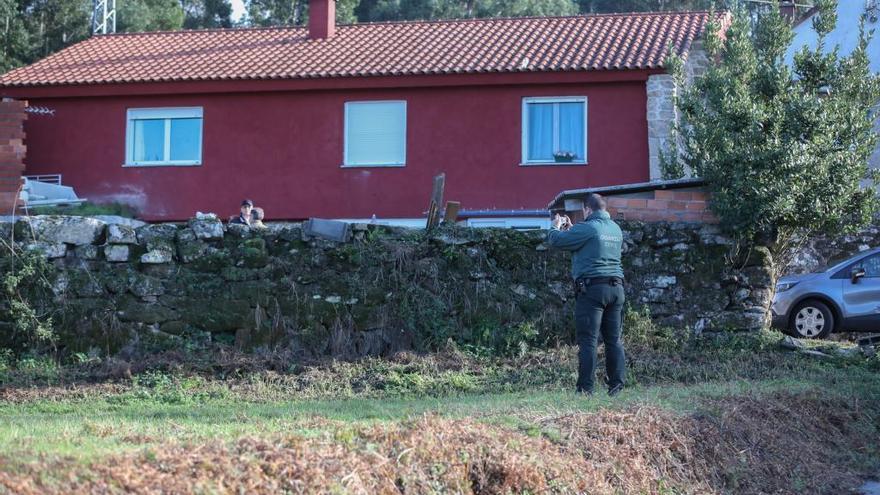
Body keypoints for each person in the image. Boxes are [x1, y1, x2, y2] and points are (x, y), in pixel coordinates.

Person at [547, 193, 626, 397]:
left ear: (587, 210)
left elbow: (556, 240)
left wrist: (556, 225)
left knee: (589, 340)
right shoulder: (615, 229)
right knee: (613, 340)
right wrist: (573, 231)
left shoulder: (588, 227)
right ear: (604, 209)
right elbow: (593, 245)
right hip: (616, 288)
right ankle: (616, 387)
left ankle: (585, 389)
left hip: (593, 290)